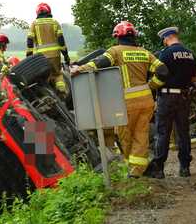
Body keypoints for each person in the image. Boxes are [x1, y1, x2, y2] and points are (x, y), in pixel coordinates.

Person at [71, 21, 169, 177]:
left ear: (118, 36)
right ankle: (138, 170)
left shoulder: (115, 51)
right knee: (141, 134)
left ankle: (132, 169)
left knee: (125, 136)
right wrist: (151, 86)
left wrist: (79, 69)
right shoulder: (144, 52)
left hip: (127, 103)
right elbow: (163, 71)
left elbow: (99, 63)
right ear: (133, 36)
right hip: (146, 101)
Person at [145, 27, 196, 178]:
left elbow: (160, 73)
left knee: (163, 133)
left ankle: (159, 169)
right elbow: (194, 79)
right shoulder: (190, 53)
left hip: (167, 98)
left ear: (167, 38)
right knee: (183, 133)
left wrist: (151, 87)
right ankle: (185, 168)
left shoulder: (165, 53)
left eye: (164, 40)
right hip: (184, 97)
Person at [26, 3, 70, 95]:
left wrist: (28, 57)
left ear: (37, 13)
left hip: (40, 58)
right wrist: (66, 56)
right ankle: (62, 91)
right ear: (49, 11)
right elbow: (61, 42)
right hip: (55, 56)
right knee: (57, 75)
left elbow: (30, 42)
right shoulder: (55, 23)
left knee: (43, 78)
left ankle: (47, 95)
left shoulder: (34, 24)